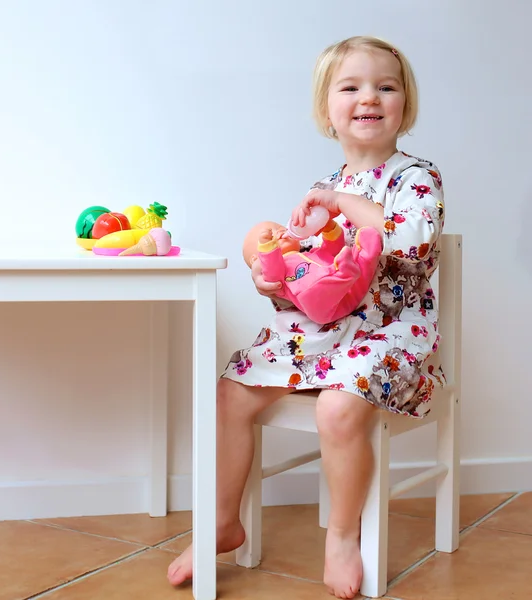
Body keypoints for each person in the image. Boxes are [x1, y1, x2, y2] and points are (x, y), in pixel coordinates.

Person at [167, 35, 445, 599]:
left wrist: (342, 205)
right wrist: (274, 277)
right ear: (327, 112)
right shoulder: (322, 191)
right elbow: (312, 275)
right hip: (321, 334)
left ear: (404, 106)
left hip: (391, 335)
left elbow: (411, 240)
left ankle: (342, 535)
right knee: (230, 393)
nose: (369, 97)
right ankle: (222, 519)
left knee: (339, 412)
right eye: (352, 87)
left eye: (385, 87)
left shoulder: (417, 179)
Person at [242, 218, 382, 325]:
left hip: (349, 294)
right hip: (321, 306)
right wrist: (268, 251)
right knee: (312, 290)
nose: (279, 232)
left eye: (279, 227)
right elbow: (272, 273)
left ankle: (366, 253)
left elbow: (331, 251)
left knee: (356, 269)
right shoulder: (279, 269)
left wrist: (329, 229)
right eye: (269, 237)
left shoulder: (310, 253)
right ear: (257, 259)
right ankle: (341, 273)